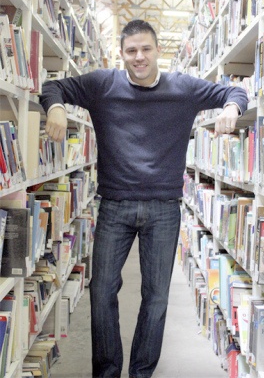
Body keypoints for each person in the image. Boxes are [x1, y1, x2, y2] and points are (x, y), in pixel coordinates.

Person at [39, 19, 248, 378]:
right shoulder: (102, 84)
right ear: (122, 53)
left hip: (164, 209)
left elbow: (235, 93)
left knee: (156, 299)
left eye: (145, 49)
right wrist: (55, 108)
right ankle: (107, 372)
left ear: (157, 51)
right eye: (131, 50)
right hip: (114, 207)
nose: (139, 57)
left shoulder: (183, 88)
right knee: (102, 290)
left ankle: (141, 373)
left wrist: (231, 109)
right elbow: (53, 86)